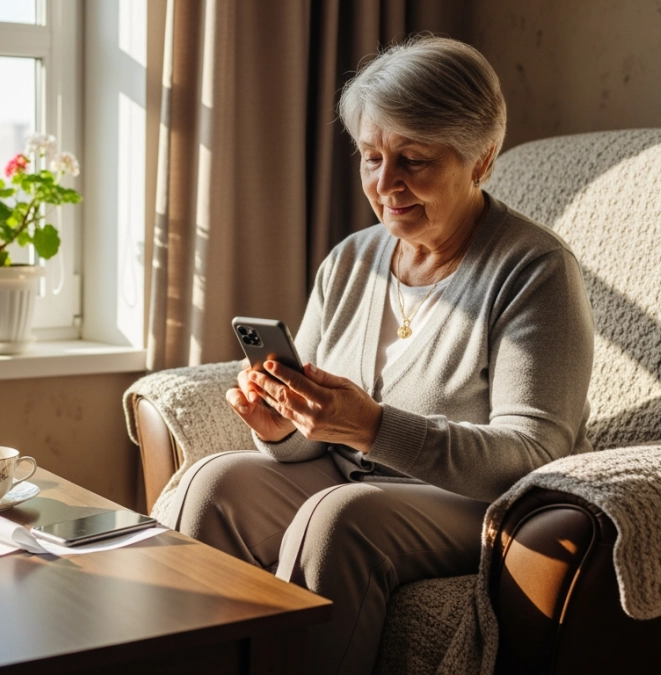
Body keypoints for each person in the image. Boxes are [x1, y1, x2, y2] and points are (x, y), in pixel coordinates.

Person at [167, 35, 594, 675]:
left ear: (480, 159)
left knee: (340, 517)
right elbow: (317, 438)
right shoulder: (351, 261)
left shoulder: (535, 270)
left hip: (474, 499)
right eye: (372, 157)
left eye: (413, 160)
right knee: (213, 484)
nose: (385, 184)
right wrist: (282, 429)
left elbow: (536, 455)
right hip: (350, 480)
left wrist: (371, 426)